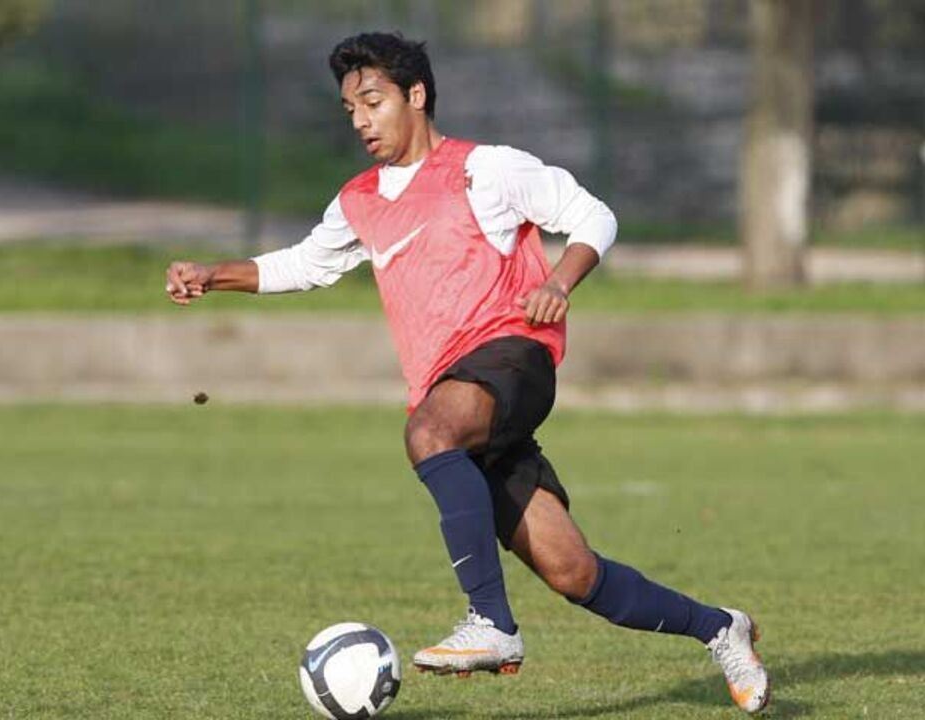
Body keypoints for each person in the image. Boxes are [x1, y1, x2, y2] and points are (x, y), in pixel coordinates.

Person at [165, 32, 770, 714]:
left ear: (414, 95)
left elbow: (592, 216)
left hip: (513, 356)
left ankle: (491, 624)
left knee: (427, 433)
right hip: (460, 401)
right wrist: (211, 275)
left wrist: (561, 283)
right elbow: (306, 264)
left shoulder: (486, 170)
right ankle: (721, 628)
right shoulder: (359, 199)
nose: (360, 119)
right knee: (574, 573)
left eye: (372, 101)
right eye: (349, 109)